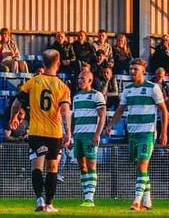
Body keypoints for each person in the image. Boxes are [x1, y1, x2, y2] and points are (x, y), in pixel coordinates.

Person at [9, 50, 72, 213]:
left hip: (36, 132)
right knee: (52, 167)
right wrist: (68, 132)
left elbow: (16, 103)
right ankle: (49, 204)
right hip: (54, 133)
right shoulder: (63, 87)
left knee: (36, 166)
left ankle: (39, 199)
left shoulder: (33, 82)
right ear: (58, 63)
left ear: (43, 63)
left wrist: (13, 117)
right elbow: (65, 111)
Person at [104, 58, 169, 211]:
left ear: (143, 71)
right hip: (132, 133)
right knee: (141, 168)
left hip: (147, 133)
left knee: (142, 165)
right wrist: (111, 124)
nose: (132, 72)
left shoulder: (153, 88)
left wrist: (164, 132)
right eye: (131, 69)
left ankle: (136, 201)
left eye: (136, 69)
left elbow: (164, 111)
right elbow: (120, 109)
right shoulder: (127, 90)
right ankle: (147, 201)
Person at [70, 71, 106, 207]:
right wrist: (71, 134)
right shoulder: (76, 96)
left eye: (83, 78)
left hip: (90, 135)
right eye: (79, 78)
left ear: (90, 80)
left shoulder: (97, 95)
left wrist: (97, 134)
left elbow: (102, 116)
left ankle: (90, 198)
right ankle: (86, 195)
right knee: (82, 165)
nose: (80, 80)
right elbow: (73, 117)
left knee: (91, 164)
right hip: (78, 135)